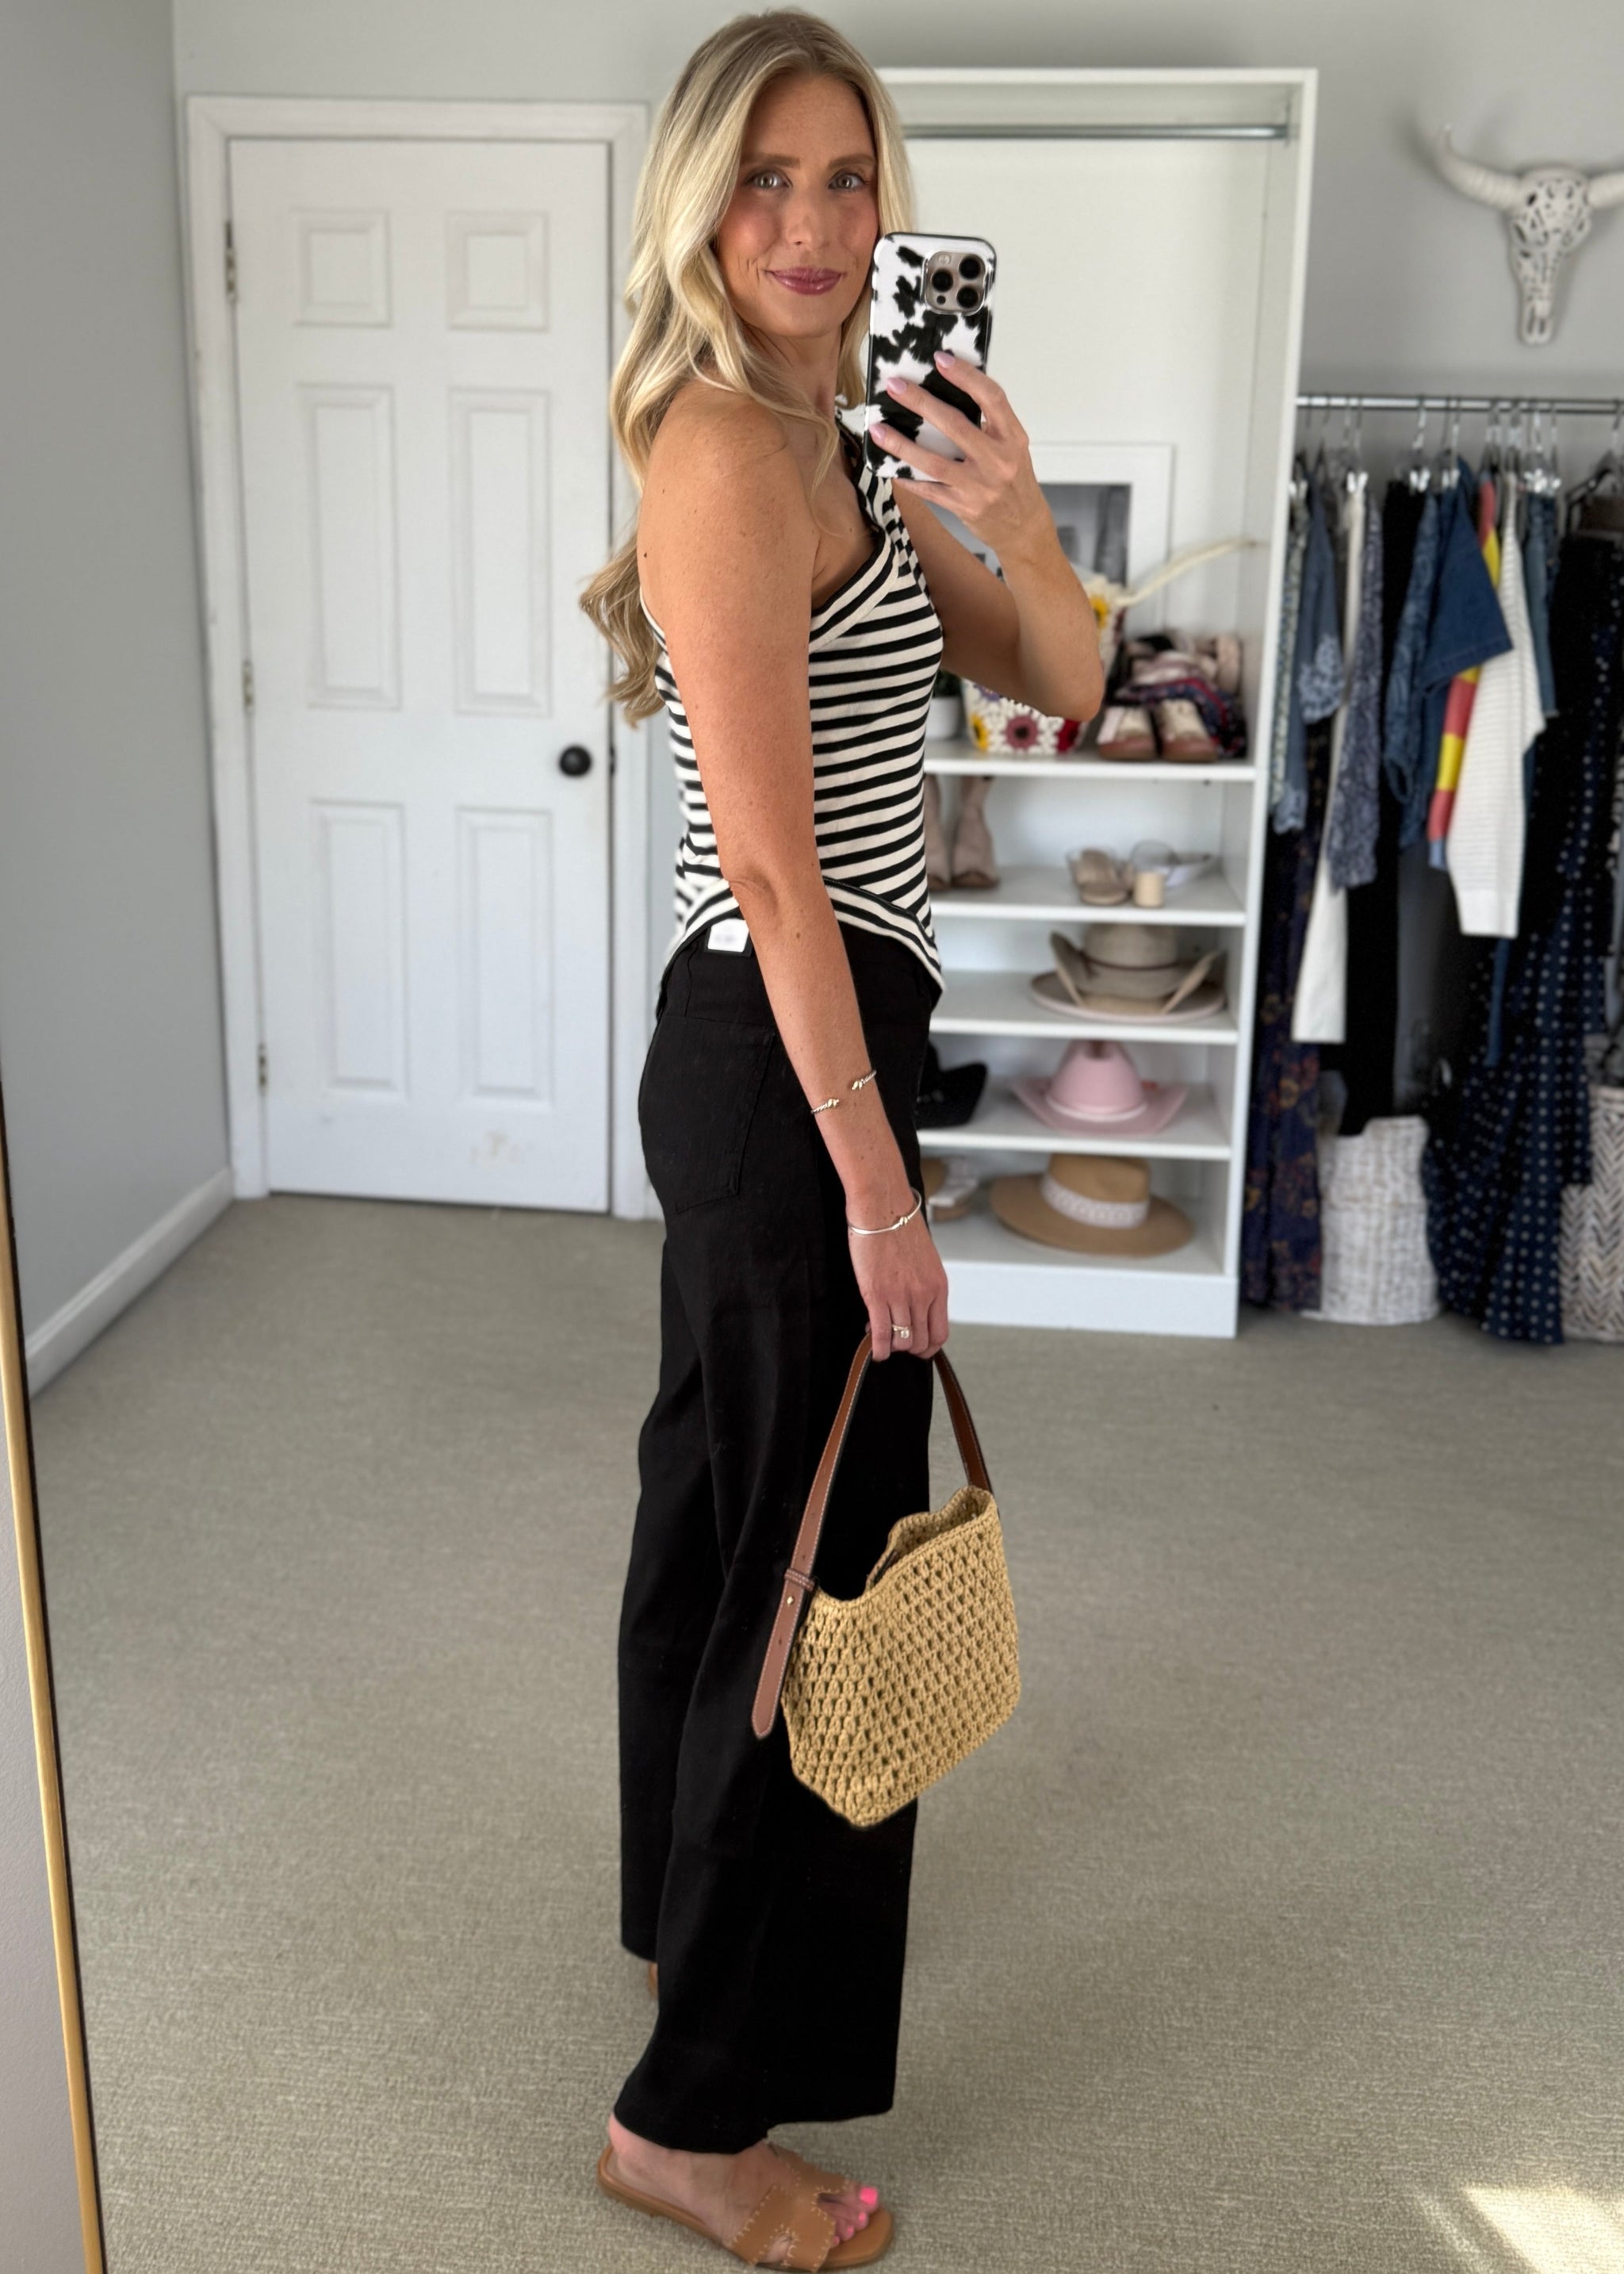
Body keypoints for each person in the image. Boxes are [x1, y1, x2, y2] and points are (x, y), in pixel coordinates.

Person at [580, 13, 1101, 2264]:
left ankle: (682, 1946)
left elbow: (1066, 676)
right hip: (793, 1056)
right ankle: (691, 2123)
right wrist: (887, 1196)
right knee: (804, 1588)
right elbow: (783, 884)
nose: (807, 223)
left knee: (724, 1534)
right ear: (700, 208)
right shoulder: (723, 449)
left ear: (893, 209)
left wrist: (1016, 511)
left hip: (791, 1052)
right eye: (764, 178)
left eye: (846, 176)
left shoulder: (852, 452)